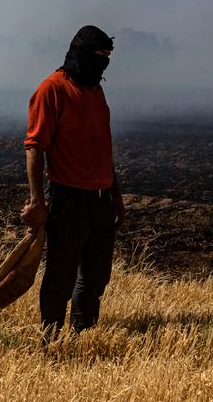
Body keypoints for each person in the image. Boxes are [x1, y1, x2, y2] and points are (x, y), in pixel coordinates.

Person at [22, 25, 126, 335]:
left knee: (96, 278)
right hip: (68, 199)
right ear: (81, 54)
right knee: (61, 276)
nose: (104, 62)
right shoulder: (51, 90)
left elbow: (103, 147)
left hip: (102, 199)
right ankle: (50, 338)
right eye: (99, 55)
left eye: (108, 56)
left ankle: (84, 334)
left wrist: (116, 196)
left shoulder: (95, 90)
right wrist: (37, 201)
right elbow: (34, 148)